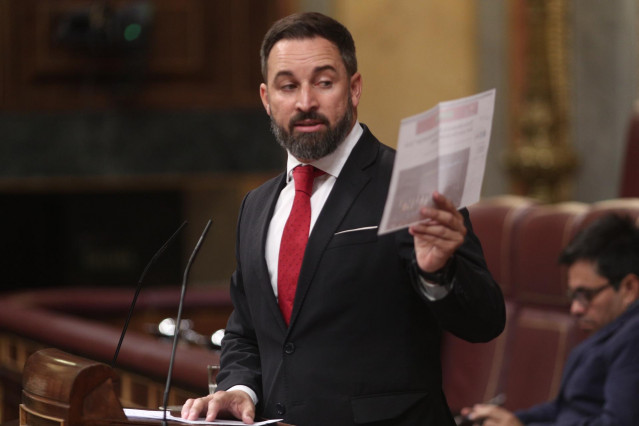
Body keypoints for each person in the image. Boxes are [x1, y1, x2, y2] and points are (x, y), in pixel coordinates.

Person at [182, 12, 505, 425]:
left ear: (353, 89)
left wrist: (437, 273)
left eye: (324, 82)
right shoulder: (256, 205)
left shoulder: (413, 183)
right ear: (266, 98)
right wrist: (239, 388)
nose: (305, 102)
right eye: (288, 86)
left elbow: (485, 321)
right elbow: (247, 330)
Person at [461, 213, 639, 425]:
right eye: (573, 295)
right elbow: (563, 408)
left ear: (629, 288)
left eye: (586, 295)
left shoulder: (633, 338)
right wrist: (508, 419)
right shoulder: (611, 329)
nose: (575, 309)